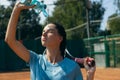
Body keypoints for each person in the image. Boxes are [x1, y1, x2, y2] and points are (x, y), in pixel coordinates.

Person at [5, 1, 96, 80]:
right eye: (43, 31)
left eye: (50, 31)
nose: (44, 34)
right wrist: (17, 9)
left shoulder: (73, 67)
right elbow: (10, 40)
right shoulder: (34, 60)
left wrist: (90, 75)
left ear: (60, 38)